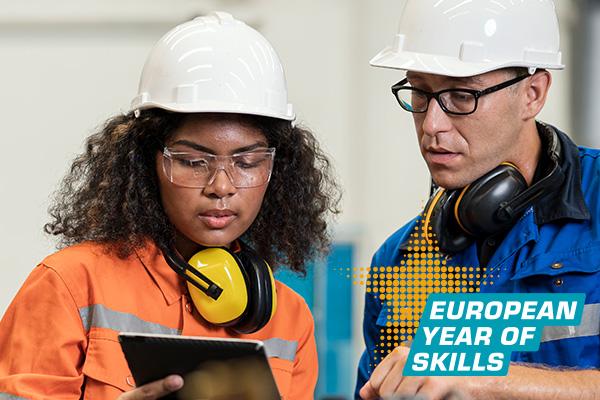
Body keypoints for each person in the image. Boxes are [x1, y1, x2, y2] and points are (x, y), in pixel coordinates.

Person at [0, 12, 339, 400]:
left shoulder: (290, 320)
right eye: (193, 161)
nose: (222, 186)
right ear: (149, 162)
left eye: (247, 162)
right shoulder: (70, 284)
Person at [356, 1, 600, 399]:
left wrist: (491, 383)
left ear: (533, 94)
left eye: (462, 95)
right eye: (419, 93)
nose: (432, 125)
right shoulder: (399, 261)